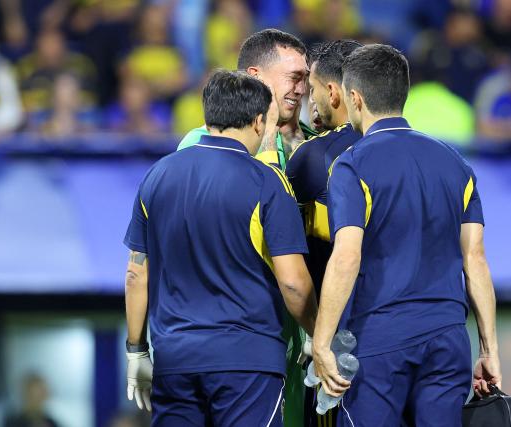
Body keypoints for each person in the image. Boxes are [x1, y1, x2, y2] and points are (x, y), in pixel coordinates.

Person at [311, 44, 502, 427]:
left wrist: (321, 342)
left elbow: (347, 256)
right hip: (448, 340)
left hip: (380, 342)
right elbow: (475, 259)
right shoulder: (455, 163)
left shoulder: (352, 164)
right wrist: (488, 348)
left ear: (355, 98)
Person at [123, 70, 318, 426]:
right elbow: (293, 283)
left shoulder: (158, 175)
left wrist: (136, 351)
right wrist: (317, 334)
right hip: (248, 362)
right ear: (261, 122)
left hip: (175, 359)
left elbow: (137, 272)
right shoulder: (267, 182)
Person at [284, 39, 362, 426]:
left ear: (333, 92)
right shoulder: (424, 155)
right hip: (412, 335)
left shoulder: (312, 157)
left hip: (337, 343)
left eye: (311, 88)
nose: (307, 99)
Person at [177, 28, 317, 169]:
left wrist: (293, 137)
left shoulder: (305, 138)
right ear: (256, 77)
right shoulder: (202, 144)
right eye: (294, 77)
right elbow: (266, 190)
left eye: (304, 79)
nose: (302, 90)